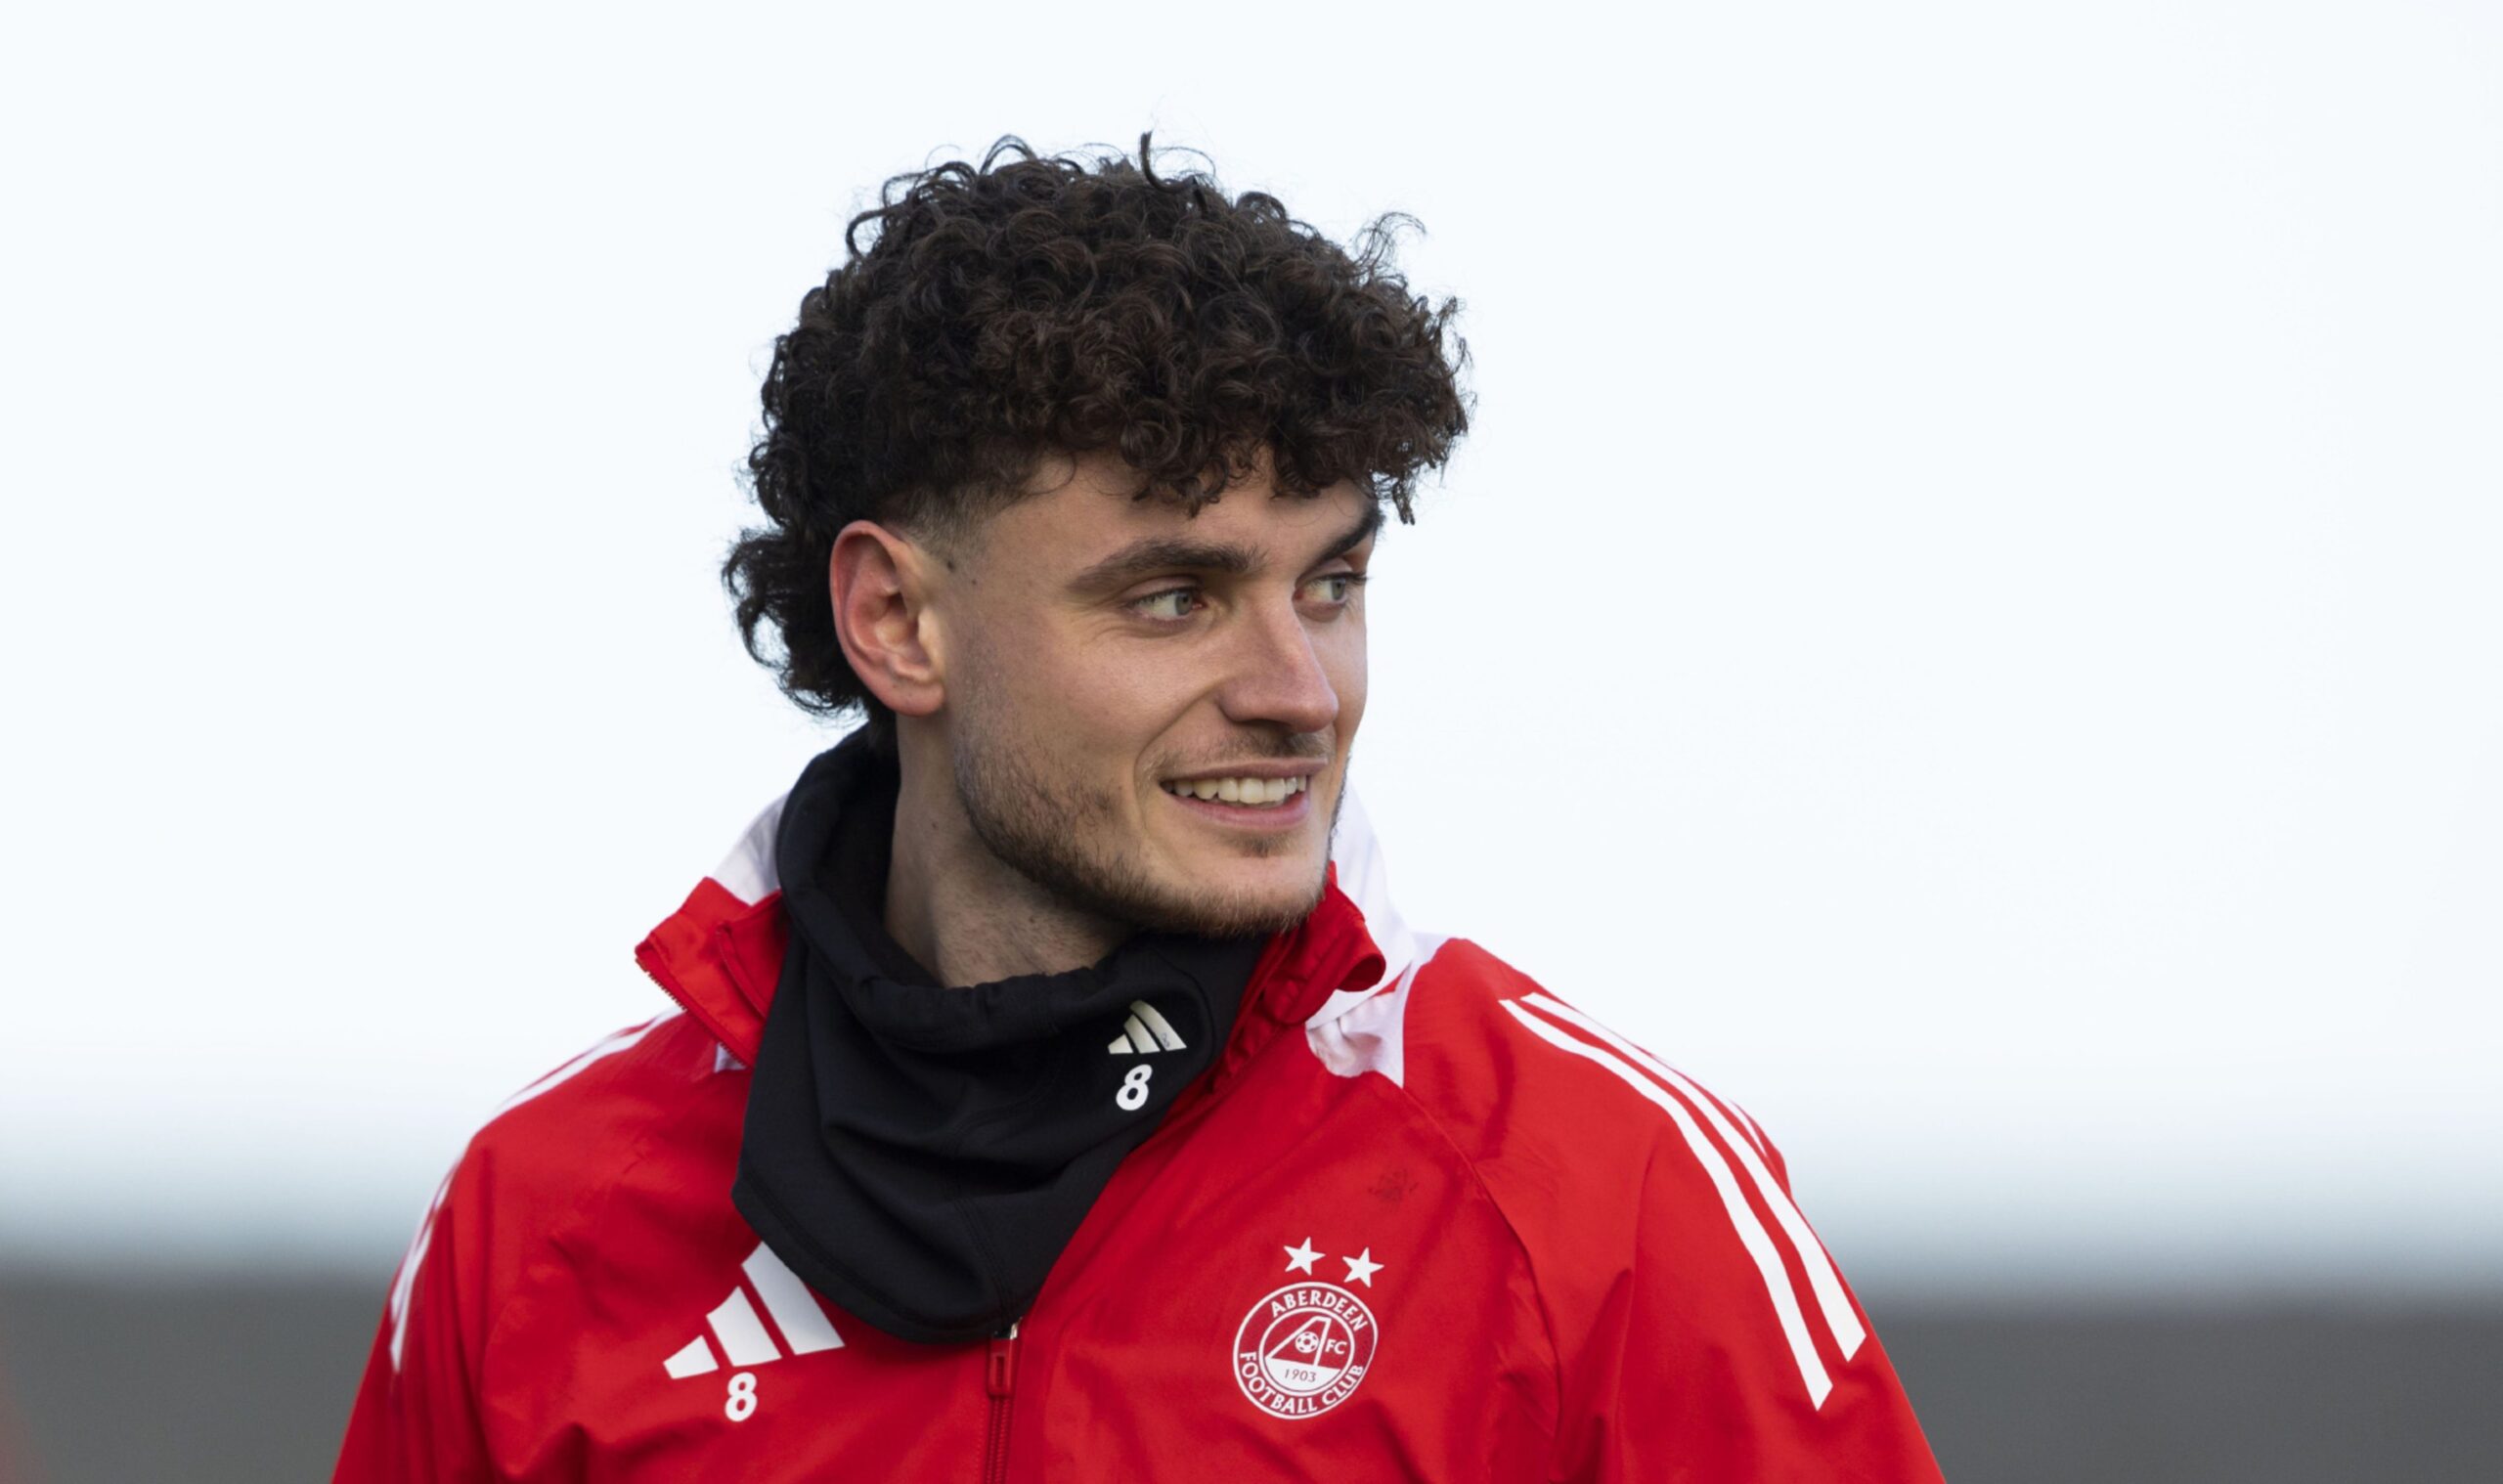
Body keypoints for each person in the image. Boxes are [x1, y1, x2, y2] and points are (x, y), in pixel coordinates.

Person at [331, 133, 1945, 1483]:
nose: (1301, 689)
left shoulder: (1602, 1202)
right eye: (1175, 597)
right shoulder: (537, 1228)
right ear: (898, 622)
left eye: (1331, 583)